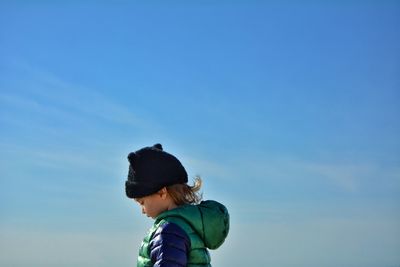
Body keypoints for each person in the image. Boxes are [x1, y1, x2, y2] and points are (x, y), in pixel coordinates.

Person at [125, 143, 229, 267]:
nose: (142, 210)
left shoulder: (168, 232)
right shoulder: (187, 225)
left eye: (142, 203)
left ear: (162, 192)